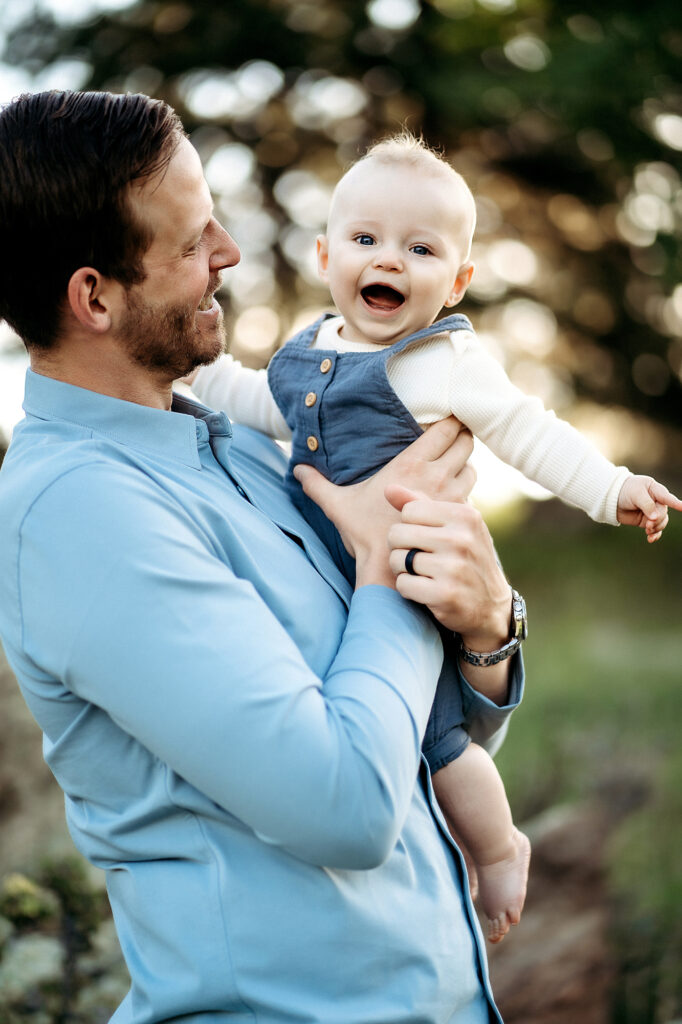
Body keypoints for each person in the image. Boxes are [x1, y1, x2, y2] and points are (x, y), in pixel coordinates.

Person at [0, 90, 525, 1024]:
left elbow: (412, 745)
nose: (230, 256)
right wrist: (385, 558)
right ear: (95, 297)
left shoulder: (243, 450)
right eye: (195, 240)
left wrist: (489, 631)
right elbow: (345, 807)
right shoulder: (80, 512)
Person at [187, 131, 682, 943]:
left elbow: (531, 431)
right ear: (325, 255)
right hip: (335, 574)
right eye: (366, 239)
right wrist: (193, 378)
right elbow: (258, 406)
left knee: (439, 735)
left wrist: (613, 489)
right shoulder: (308, 351)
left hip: (413, 576)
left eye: (420, 249)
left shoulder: (443, 359)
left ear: (456, 283)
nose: (389, 259)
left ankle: (497, 849)